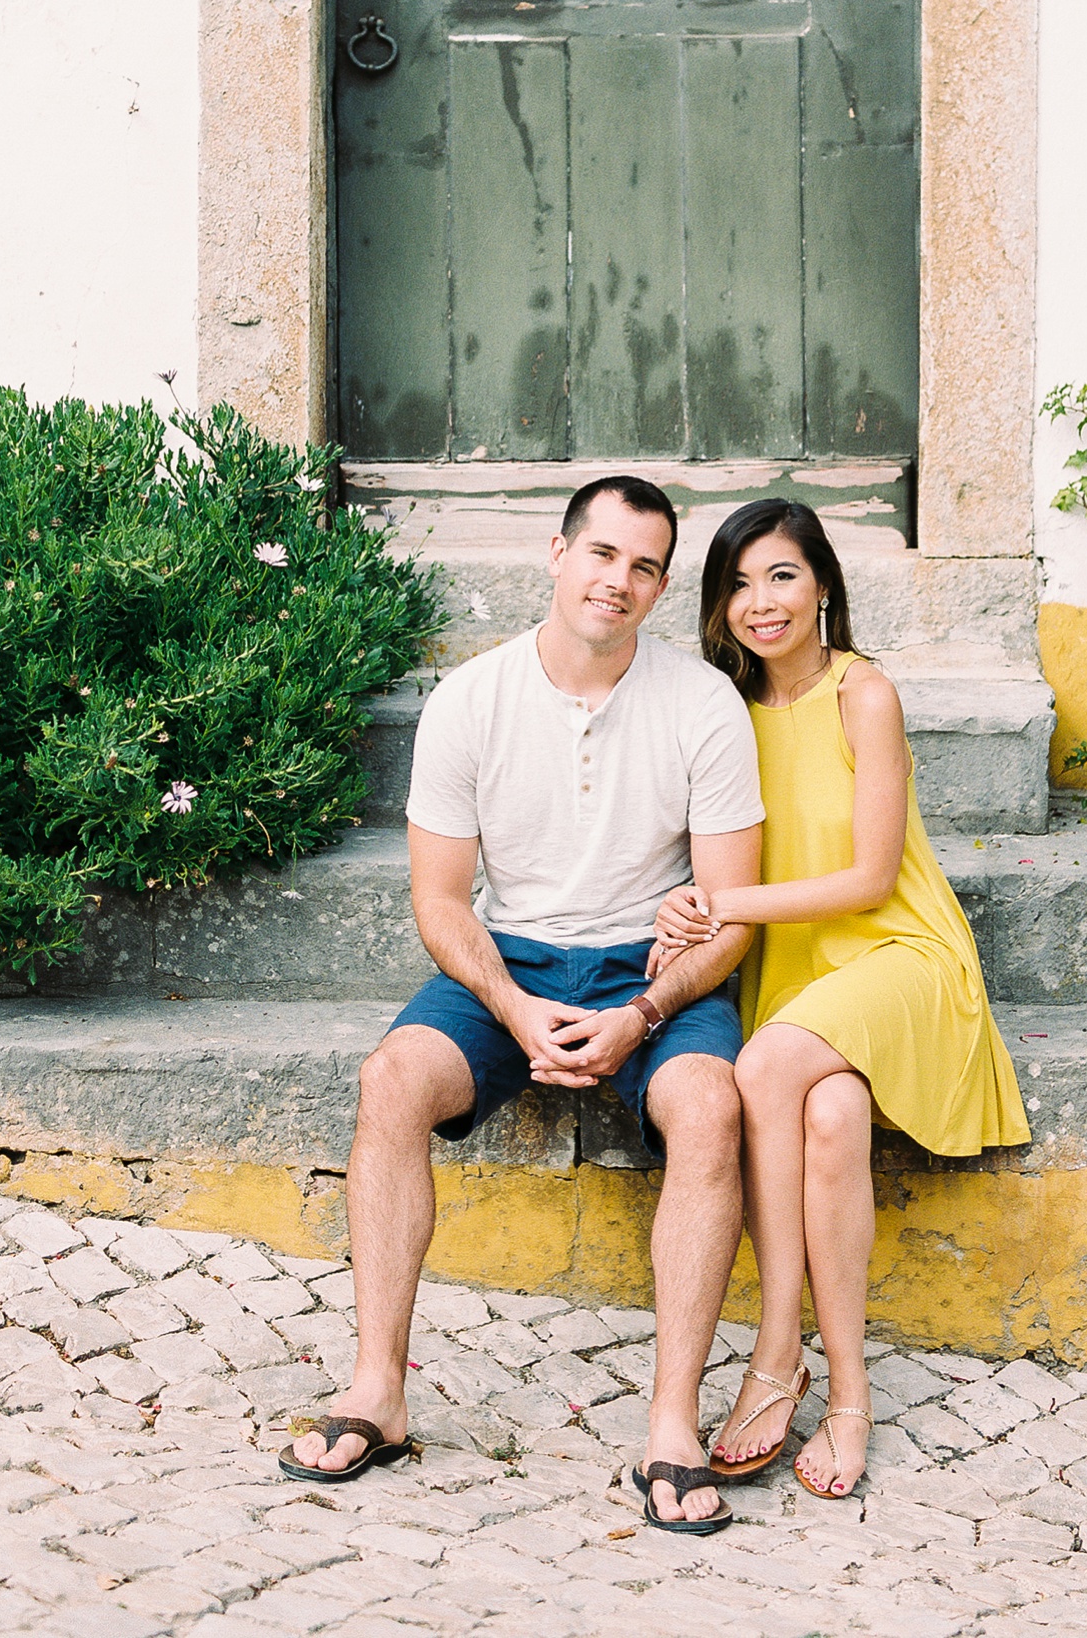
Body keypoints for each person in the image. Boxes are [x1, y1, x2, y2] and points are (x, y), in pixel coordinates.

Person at [285, 474, 764, 1536]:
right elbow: (439, 901)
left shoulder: (703, 703)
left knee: (711, 1107)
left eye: (644, 565)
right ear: (557, 555)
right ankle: (378, 1388)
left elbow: (732, 917)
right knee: (390, 1079)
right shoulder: (473, 697)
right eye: (602, 554)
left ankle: (672, 1425)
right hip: (511, 963)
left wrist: (641, 1013)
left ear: (661, 585)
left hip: (655, 973)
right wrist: (509, 1002)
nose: (619, 580)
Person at [651, 499, 1029, 1499]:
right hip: (805, 976)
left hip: (900, 954)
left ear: (822, 582)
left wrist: (719, 901)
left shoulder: (866, 692)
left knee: (769, 1062)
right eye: (736, 583)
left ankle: (776, 1350)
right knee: (830, 1108)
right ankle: (851, 1391)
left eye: (781, 575)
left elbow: (868, 877)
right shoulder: (723, 711)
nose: (760, 602)